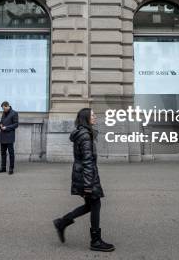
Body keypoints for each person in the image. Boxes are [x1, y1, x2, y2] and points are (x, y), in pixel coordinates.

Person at [52, 108, 115, 252]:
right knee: (95, 203)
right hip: (86, 175)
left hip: (82, 174)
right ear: (86, 118)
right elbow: (87, 161)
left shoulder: (82, 132)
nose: (95, 117)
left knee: (91, 205)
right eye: (92, 115)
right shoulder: (85, 135)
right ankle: (95, 241)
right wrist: (88, 185)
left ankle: (62, 222)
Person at [0, 101, 18, 175]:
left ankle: (11, 168)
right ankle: (3, 168)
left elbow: (16, 124)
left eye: (4, 108)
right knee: (3, 153)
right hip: (3, 136)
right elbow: (2, 121)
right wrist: (0, 125)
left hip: (10, 136)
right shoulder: (4, 113)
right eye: (3, 109)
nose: (3, 110)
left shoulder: (14, 113)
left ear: (7, 106)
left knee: (11, 153)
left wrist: (6, 127)